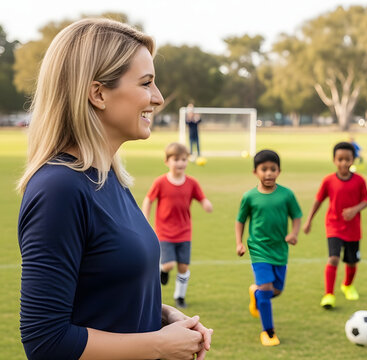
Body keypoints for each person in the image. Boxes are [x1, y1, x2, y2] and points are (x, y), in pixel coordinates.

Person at [16, 18, 212, 360]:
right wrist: (158, 344)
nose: (158, 97)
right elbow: (46, 341)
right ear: (98, 93)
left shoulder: (109, 178)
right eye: (146, 83)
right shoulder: (58, 189)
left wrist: (164, 316)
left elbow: (105, 294)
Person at [235, 149, 302, 346]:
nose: (269, 173)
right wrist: (239, 242)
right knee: (266, 289)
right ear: (255, 172)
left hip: (280, 249)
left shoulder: (286, 195)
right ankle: (268, 332)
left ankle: (255, 293)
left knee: (277, 290)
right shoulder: (249, 197)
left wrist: (294, 234)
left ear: (279, 171)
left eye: (273, 169)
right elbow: (240, 221)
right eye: (264, 169)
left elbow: (296, 216)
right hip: (258, 249)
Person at [142, 142, 213, 309]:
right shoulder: (160, 182)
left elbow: (201, 197)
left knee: (183, 267)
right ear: (167, 161)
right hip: (164, 231)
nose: (180, 163)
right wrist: (145, 218)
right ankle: (163, 270)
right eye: (176, 159)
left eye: (184, 159)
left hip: (184, 232)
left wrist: (206, 204)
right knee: (169, 264)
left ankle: (179, 296)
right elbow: (148, 200)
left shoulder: (192, 183)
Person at [303, 142, 367, 309]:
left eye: (347, 159)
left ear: (353, 160)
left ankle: (347, 285)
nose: (344, 163)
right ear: (334, 160)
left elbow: (366, 200)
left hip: (353, 229)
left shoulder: (360, 180)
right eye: (340, 159)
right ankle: (329, 294)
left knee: (352, 262)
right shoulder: (329, 180)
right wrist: (309, 220)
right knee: (333, 258)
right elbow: (318, 200)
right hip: (333, 226)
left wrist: (355, 210)